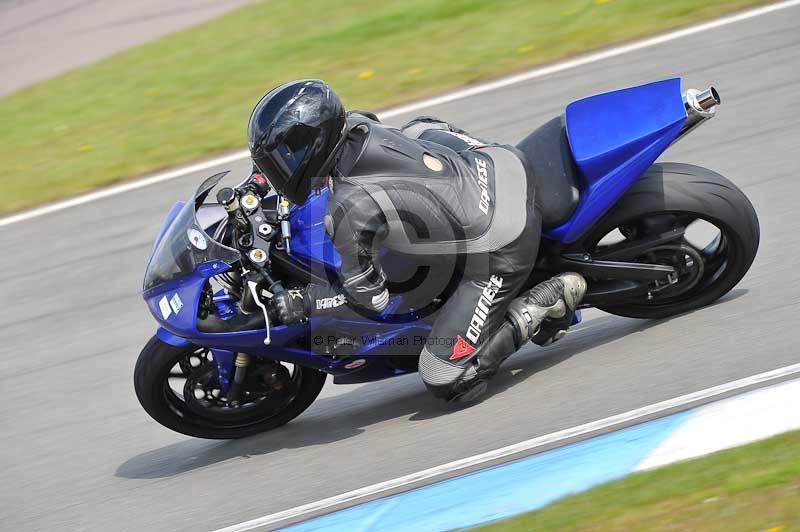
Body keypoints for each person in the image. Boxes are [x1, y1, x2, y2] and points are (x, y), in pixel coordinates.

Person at [247, 79, 586, 402]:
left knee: (443, 376)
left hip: (502, 240)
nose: (279, 170)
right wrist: (258, 183)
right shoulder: (355, 126)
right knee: (417, 128)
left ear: (313, 146)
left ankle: (544, 302)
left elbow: (372, 300)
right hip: (494, 162)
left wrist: (305, 302)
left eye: (284, 160)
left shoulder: (350, 208)